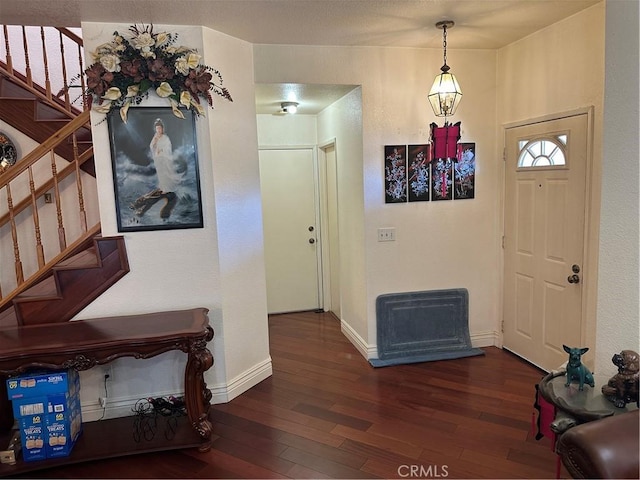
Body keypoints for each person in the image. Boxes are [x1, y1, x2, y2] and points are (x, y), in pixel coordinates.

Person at [131, 118, 183, 219]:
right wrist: (154, 144)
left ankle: (167, 188)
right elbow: (151, 146)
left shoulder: (165, 138)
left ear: (162, 129)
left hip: (165, 159)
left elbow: (168, 148)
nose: (158, 130)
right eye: (157, 128)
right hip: (159, 160)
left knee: (166, 174)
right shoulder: (156, 136)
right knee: (161, 174)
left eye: (160, 128)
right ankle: (163, 187)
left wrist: (161, 150)